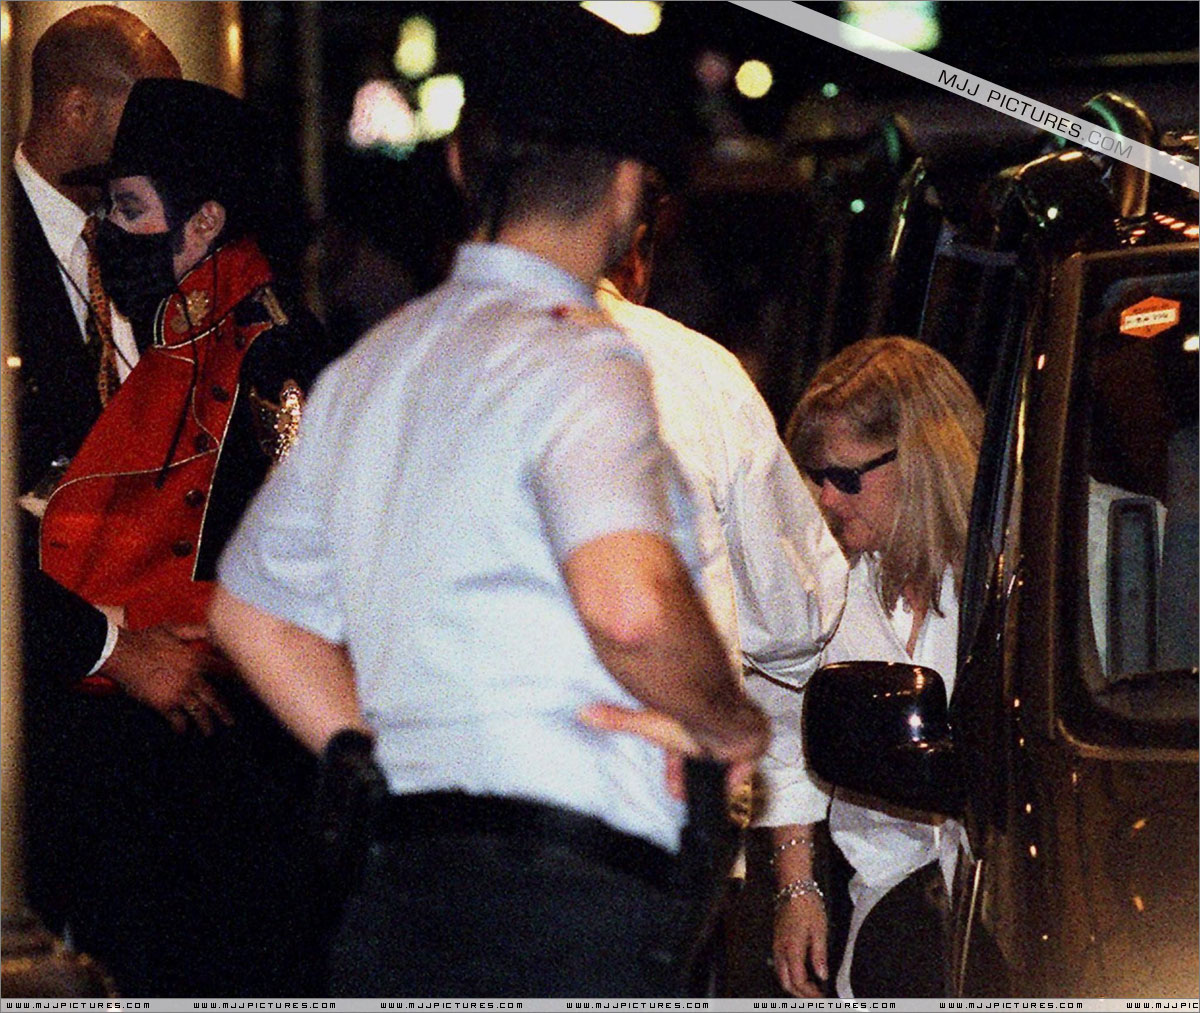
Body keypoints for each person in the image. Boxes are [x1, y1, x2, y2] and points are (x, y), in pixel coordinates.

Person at [209, 6, 768, 998]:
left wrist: (377, 752)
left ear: (463, 164)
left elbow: (251, 612)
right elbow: (630, 606)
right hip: (570, 897)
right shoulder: (582, 361)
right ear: (629, 186)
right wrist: (729, 722)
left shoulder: (372, 368)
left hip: (395, 889)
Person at [35, 78, 340, 996]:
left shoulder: (272, 352)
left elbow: (294, 566)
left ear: (204, 222)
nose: (109, 234)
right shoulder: (177, 338)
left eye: (130, 209)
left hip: (224, 773)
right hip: (152, 764)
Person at [593, 192, 849, 993]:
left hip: (457, 855)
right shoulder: (692, 374)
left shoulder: (404, 367)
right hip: (658, 832)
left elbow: (280, 611)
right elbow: (798, 618)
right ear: (636, 252)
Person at [10, 7, 183, 934]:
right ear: (76, 109)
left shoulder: (141, 246)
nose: (165, 144)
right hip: (38, 704)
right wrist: (108, 646)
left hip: (149, 709)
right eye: (145, 115)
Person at [758, 336, 983, 998]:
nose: (827, 500)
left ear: (923, 460)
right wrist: (797, 888)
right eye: (817, 477)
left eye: (847, 477)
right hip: (891, 903)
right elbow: (785, 733)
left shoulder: (1043, 564)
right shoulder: (828, 588)